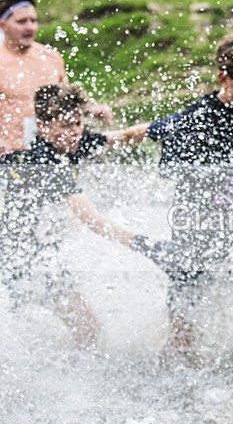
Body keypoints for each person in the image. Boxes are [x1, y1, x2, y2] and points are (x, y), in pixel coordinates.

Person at [124, 30, 233, 352]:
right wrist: (95, 141)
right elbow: (146, 131)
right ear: (222, 78)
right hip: (195, 230)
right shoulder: (198, 117)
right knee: (183, 338)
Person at [0, 83, 173, 349]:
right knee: (88, 328)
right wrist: (146, 245)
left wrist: (169, 126)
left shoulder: (70, 143)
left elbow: (123, 136)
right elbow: (92, 220)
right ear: (43, 127)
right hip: (21, 261)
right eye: (66, 126)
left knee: (72, 327)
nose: (75, 133)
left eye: (78, 123)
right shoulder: (46, 163)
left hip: (37, 253)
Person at [0, 0, 112, 153]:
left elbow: (67, 100)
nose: (30, 27)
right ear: (3, 25)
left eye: (33, 21)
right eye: (22, 21)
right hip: (8, 154)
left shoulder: (50, 58)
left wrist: (91, 109)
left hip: (49, 152)